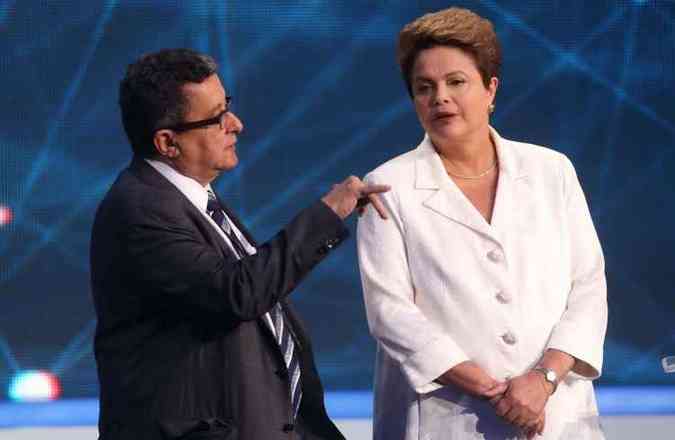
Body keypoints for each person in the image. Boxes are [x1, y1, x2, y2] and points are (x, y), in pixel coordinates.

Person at [90, 48, 388, 440]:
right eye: (216, 118)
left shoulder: (194, 200)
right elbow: (239, 291)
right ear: (167, 142)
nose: (237, 124)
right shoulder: (140, 209)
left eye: (227, 106)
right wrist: (329, 213)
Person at [357, 7, 607, 440]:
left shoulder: (552, 170)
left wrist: (542, 381)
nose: (440, 98)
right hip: (446, 419)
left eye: (456, 82)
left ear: (491, 89)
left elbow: (587, 286)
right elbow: (389, 312)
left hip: (557, 415)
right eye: (424, 87)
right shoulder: (388, 185)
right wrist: (497, 392)